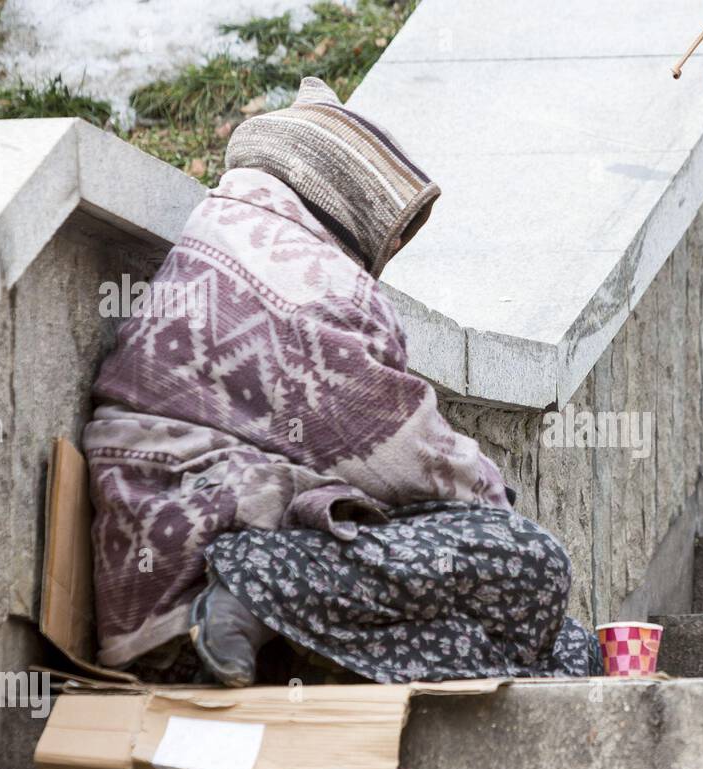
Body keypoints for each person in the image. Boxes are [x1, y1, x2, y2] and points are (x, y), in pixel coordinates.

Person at [86, 78, 600, 686]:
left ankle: (250, 606)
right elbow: (410, 458)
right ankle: (248, 594)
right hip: (191, 577)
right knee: (533, 562)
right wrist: (498, 511)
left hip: (158, 585)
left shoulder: (222, 235)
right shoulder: (315, 281)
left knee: (560, 645)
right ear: (351, 200)